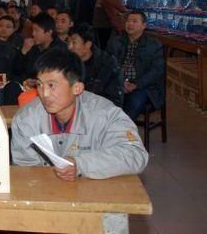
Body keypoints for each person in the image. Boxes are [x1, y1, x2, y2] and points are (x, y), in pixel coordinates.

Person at [11, 48, 148, 180]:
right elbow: (26, 171)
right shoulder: (26, 119)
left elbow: (135, 154)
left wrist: (81, 165)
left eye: (51, 85)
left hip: (96, 191)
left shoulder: (105, 114)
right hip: (48, 191)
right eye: (40, 85)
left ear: (77, 88)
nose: (44, 94)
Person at [106, 11, 165, 120]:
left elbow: (157, 71)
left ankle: (123, 129)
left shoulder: (154, 45)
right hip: (118, 82)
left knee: (133, 103)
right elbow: (109, 65)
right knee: (104, 101)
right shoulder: (115, 42)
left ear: (144, 25)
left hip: (144, 86)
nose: (130, 24)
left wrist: (137, 84)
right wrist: (121, 81)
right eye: (128, 21)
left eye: (134, 21)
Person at [67, 24, 122, 106]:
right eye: (68, 42)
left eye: (74, 42)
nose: (69, 47)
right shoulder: (67, 61)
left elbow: (113, 98)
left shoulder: (107, 63)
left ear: (88, 44)